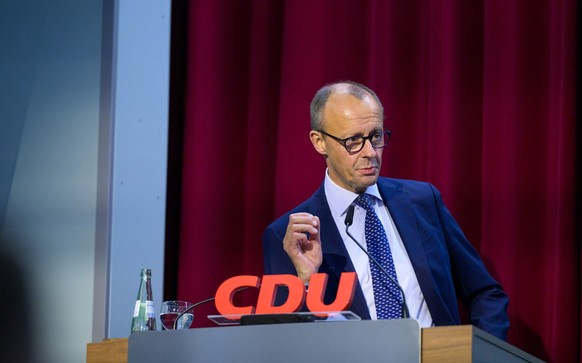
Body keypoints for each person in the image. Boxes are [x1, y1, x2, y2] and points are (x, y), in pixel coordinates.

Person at [262, 81, 510, 340]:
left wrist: (481, 355)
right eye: (353, 141)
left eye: (376, 136)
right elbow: (285, 341)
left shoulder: (423, 201)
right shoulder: (290, 236)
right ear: (319, 142)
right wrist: (306, 279)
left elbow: (485, 293)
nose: (370, 153)